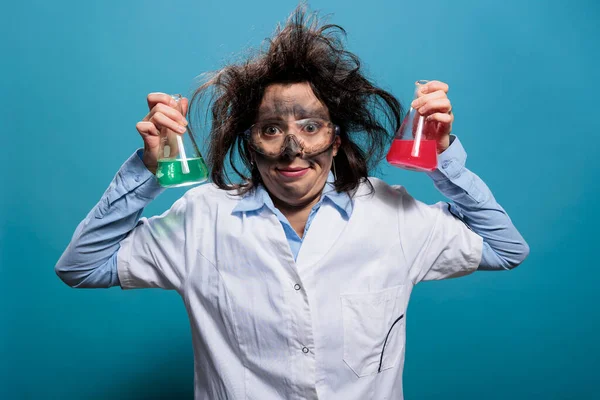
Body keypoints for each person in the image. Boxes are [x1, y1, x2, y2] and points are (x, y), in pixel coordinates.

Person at [56, 6, 529, 400]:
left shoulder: (393, 215)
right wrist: (148, 169)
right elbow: (82, 266)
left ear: (336, 139)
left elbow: (505, 248)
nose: (292, 148)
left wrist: (443, 158)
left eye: (310, 127)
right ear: (249, 142)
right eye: (271, 129)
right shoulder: (201, 217)